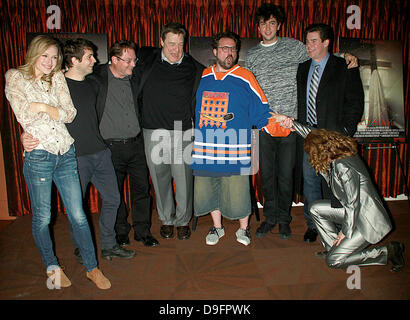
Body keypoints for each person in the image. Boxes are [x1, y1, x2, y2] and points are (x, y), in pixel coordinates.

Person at [4, 35, 111, 289]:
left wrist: (41, 106)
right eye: (45, 56)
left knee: (79, 215)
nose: (50, 62)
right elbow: (23, 112)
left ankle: (92, 268)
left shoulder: (58, 77)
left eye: (54, 57)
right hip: (39, 154)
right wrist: (47, 112)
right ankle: (52, 267)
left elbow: (69, 113)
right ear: (33, 54)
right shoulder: (16, 77)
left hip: (65, 152)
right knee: (43, 217)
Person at [245, 3, 359, 241]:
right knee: (267, 175)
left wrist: (345, 56)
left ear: (279, 25)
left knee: (287, 175)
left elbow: (319, 57)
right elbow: (247, 88)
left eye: (272, 23)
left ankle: (285, 220)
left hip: (293, 125)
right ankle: (271, 217)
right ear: (257, 27)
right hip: (265, 125)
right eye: (263, 23)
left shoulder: (294, 46)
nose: (267, 28)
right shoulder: (252, 55)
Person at [21, 38, 136, 262]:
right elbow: (35, 114)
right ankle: (81, 248)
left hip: (101, 153)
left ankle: (109, 245)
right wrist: (24, 135)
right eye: (90, 56)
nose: (95, 60)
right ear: (74, 61)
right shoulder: (55, 85)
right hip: (73, 156)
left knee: (113, 199)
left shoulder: (95, 83)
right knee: (77, 208)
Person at [191, 31, 290, 246]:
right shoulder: (204, 76)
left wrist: (278, 122)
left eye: (233, 49)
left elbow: (261, 110)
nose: (230, 53)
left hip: (235, 147)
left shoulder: (246, 76)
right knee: (209, 190)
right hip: (206, 147)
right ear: (215, 51)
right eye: (225, 48)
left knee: (239, 193)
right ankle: (217, 227)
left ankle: (244, 229)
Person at [276, 114, 405, 272]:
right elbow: (312, 135)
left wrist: (345, 232)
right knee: (315, 208)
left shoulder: (343, 167)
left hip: (367, 221)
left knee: (333, 262)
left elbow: (352, 203)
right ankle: (335, 249)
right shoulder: (335, 149)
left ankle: (387, 252)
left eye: (311, 153)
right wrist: (292, 124)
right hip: (355, 213)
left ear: (319, 153)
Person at [135, 22, 204, 240]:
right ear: (161, 42)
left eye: (180, 44)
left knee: (184, 180)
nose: (175, 49)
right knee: (159, 179)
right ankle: (166, 219)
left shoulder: (195, 68)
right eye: (171, 44)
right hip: (152, 131)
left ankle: (183, 220)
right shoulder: (145, 60)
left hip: (182, 132)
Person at [295, 23, 364, 243]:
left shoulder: (344, 65)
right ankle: (313, 225)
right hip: (309, 134)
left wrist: (346, 131)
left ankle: (338, 225)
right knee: (310, 181)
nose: (308, 46)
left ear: (326, 42)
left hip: (335, 137)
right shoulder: (303, 67)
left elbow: (355, 101)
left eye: (314, 41)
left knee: (336, 185)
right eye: (307, 41)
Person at [91, 41, 158, 247]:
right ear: (113, 59)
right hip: (110, 148)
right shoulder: (96, 78)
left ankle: (142, 231)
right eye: (127, 60)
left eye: (134, 60)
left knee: (141, 190)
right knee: (114, 193)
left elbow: (153, 53)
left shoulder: (135, 78)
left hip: (136, 145)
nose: (133, 64)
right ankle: (121, 231)